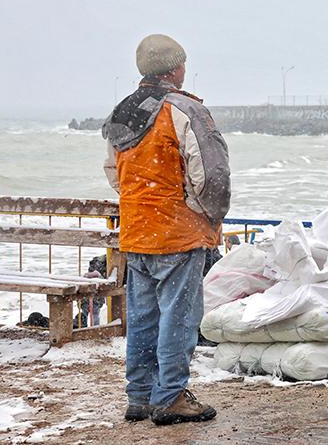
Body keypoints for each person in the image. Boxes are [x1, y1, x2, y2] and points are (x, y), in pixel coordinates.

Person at [103, 34, 230, 426]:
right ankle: (171, 395)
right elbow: (211, 176)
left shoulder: (123, 111)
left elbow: (114, 172)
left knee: (143, 316)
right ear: (175, 68)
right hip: (177, 234)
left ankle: (139, 395)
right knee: (179, 316)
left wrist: (145, 205)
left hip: (137, 231)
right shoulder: (184, 109)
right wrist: (204, 213)